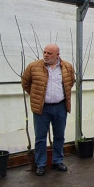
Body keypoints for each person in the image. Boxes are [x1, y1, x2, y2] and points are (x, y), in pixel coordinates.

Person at [21, 44, 75, 176]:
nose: (46, 55)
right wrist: (37, 96)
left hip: (60, 106)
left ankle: (57, 161)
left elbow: (71, 82)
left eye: (49, 53)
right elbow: (25, 83)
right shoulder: (33, 67)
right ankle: (40, 164)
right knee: (40, 137)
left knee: (59, 135)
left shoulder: (67, 67)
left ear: (57, 55)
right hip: (42, 108)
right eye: (44, 52)